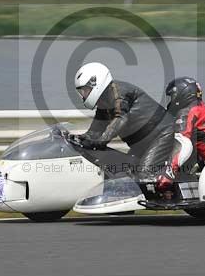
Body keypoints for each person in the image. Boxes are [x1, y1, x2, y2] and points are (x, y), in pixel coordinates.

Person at [69, 62, 174, 193]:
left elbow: (120, 119)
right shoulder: (103, 100)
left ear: (95, 83)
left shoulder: (119, 93)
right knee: (123, 169)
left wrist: (101, 141)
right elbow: (96, 129)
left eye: (85, 90)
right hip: (143, 142)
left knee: (144, 175)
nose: (84, 95)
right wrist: (78, 139)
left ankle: (163, 196)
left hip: (161, 134)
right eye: (82, 92)